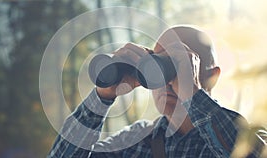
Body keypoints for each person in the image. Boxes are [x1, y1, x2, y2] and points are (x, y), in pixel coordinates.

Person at [48, 25, 265, 157]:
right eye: (159, 66)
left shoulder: (248, 136)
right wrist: (102, 97)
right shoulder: (137, 140)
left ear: (213, 76)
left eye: (182, 66)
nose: (168, 82)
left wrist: (192, 94)